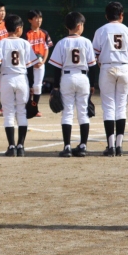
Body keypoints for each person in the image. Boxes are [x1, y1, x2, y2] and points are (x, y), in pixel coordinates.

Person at [49, 11, 98, 158]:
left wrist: (56, 87)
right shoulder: (86, 42)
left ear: (67, 26)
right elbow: (93, 66)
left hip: (67, 78)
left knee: (67, 112)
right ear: (79, 26)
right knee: (83, 112)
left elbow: (56, 68)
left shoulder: (62, 43)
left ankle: (67, 147)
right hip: (83, 78)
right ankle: (83, 146)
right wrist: (92, 85)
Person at [0, 14, 39, 157]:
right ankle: (21, 146)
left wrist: (4, 69)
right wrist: (31, 85)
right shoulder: (24, 43)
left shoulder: (1, 43)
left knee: (8, 113)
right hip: (22, 78)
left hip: (7, 78)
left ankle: (11, 146)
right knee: (21, 112)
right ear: (18, 28)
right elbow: (30, 67)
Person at [92, 1, 128, 157]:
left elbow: (95, 54)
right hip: (124, 67)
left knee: (109, 107)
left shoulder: (101, 30)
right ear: (121, 15)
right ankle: (119, 145)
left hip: (107, 67)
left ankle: (111, 147)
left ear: (106, 16)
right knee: (121, 106)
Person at [25, 10, 53, 117]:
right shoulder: (26, 34)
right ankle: (27, 107)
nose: (39, 20)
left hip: (40, 63)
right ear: (30, 20)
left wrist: (43, 62)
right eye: (36, 18)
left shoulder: (44, 33)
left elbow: (46, 49)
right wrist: (32, 62)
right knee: (28, 86)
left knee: (38, 86)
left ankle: (34, 108)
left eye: (40, 18)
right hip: (28, 64)